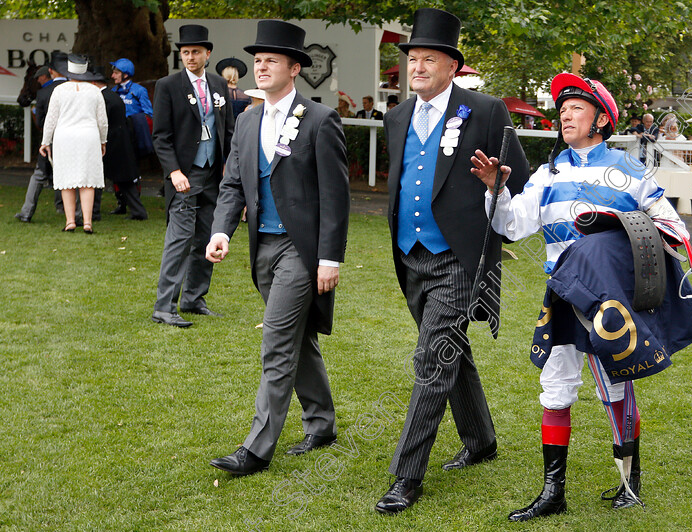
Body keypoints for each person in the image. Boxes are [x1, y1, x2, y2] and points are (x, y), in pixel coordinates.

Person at [470, 73, 692, 521]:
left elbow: (675, 229)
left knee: (617, 387)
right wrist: (495, 190)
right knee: (555, 388)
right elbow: (513, 225)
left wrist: (620, 233)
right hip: (563, 294)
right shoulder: (547, 173)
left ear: (601, 119)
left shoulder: (630, 171)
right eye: (562, 109)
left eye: (576, 108)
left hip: (610, 300)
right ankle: (552, 493)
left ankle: (628, 482)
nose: (565, 114)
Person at [376, 8, 529, 514]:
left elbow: (519, 182)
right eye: (412, 58)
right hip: (411, 255)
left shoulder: (484, 111)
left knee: (429, 361)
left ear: (451, 65)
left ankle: (407, 475)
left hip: (461, 260)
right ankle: (481, 440)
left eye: (427, 59)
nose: (416, 67)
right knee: (450, 352)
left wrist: (496, 184)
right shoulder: (397, 117)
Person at [206, 19, 349, 476]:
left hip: (300, 251)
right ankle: (321, 423)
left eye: (271, 60)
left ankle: (256, 448)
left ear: (294, 69)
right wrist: (222, 231)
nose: (261, 67)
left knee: (276, 340)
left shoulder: (321, 121)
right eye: (257, 60)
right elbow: (232, 184)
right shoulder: (246, 120)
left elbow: (335, 197)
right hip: (261, 248)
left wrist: (329, 258)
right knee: (297, 338)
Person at [150, 24, 234, 328]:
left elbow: (228, 130)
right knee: (180, 238)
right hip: (184, 174)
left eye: (195, 52)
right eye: (185, 52)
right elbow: (160, 136)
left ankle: (194, 299)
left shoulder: (219, 85)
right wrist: (174, 171)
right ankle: (164, 307)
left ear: (207, 54)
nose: (190, 57)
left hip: (213, 174)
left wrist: (229, 166)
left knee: (206, 239)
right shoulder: (168, 85)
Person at [39, 54, 107, 234]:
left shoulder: (59, 90)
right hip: (89, 136)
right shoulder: (94, 91)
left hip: (64, 136)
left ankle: (70, 221)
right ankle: (87, 222)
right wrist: (103, 140)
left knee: (66, 180)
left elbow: (51, 119)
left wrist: (45, 141)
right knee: (88, 181)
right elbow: (102, 121)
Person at [15, 54, 67, 223]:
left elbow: (41, 122)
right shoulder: (72, 88)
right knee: (67, 174)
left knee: (39, 175)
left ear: (51, 72)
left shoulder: (44, 93)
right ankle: (72, 211)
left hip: (51, 139)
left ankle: (27, 212)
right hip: (71, 138)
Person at [91, 67, 148, 220]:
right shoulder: (112, 95)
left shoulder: (103, 98)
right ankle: (137, 211)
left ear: (95, 83)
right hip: (119, 141)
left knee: (96, 177)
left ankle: (94, 212)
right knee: (124, 180)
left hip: (110, 142)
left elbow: (102, 122)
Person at [110, 58, 154, 215]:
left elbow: (149, 113)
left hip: (133, 135)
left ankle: (134, 203)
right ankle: (121, 203)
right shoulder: (113, 91)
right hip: (117, 136)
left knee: (132, 171)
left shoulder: (139, 90)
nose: (112, 76)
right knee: (116, 169)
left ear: (126, 74)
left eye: (116, 72)